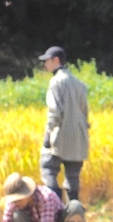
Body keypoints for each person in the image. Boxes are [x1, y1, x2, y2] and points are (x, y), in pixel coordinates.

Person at [38, 46, 89, 203]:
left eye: (47, 60)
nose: (45, 64)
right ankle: (74, 214)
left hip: (60, 136)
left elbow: (54, 112)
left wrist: (47, 134)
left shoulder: (56, 82)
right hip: (79, 137)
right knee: (73, 176)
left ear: (56, 60)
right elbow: (84, 111)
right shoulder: (79, 84)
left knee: (48, 168)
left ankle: (55, 208)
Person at [0, 172, 66, 222]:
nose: (16, 203)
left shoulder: (46, 197)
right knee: (17, 215)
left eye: (18, 200)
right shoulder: (13, 203)